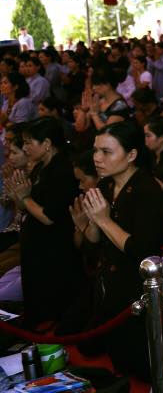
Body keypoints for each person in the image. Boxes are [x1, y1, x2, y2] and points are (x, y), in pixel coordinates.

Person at [78, 120, 163, 379]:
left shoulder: (148, 190)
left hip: (135, 287)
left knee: (137, 367)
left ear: (131, 155)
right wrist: (90, 222)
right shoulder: (106, 185)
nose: (97, 158)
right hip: (107, 282)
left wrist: (104, 220)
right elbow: (94, 242)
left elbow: (143, 250)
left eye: (106, 152)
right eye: (96, 150)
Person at [7, 117, 82, 325]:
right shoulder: (42, 167)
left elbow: (49, 217)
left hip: (52, 250)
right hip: (35, 246)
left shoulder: (62, 171)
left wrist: (25, 198)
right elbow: (28, 206)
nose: (25, 148)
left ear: (47, 143)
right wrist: (18, 196)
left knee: (50, 310)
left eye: (29, 142)